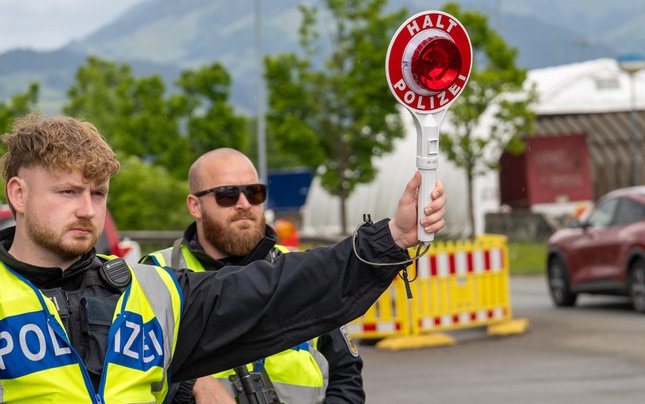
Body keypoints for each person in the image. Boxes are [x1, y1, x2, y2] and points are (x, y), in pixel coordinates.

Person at [0, 114, 446, 403]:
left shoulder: (151, 294)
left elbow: (277, 293)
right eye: (67, 192)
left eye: (98, 194)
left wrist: (389, 238)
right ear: (18, 194)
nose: (87, 209)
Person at [142, 148, 365, 403]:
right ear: (195, 205)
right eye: (227, 195)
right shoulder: (157, 274)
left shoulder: (298, 268)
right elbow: (126, 373)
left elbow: (345, 375)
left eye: (254, 192)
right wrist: (191, 384)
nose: (244, 204)